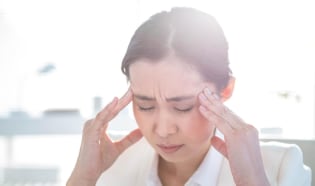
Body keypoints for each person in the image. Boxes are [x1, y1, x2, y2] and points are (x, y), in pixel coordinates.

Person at [67, 7, 311, 186]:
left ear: (225, 90)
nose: (163, 130)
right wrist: (83, 178)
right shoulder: (107, 163)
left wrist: (252, 182)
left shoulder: (279, 167)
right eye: (145, 105)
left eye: (183, 107)